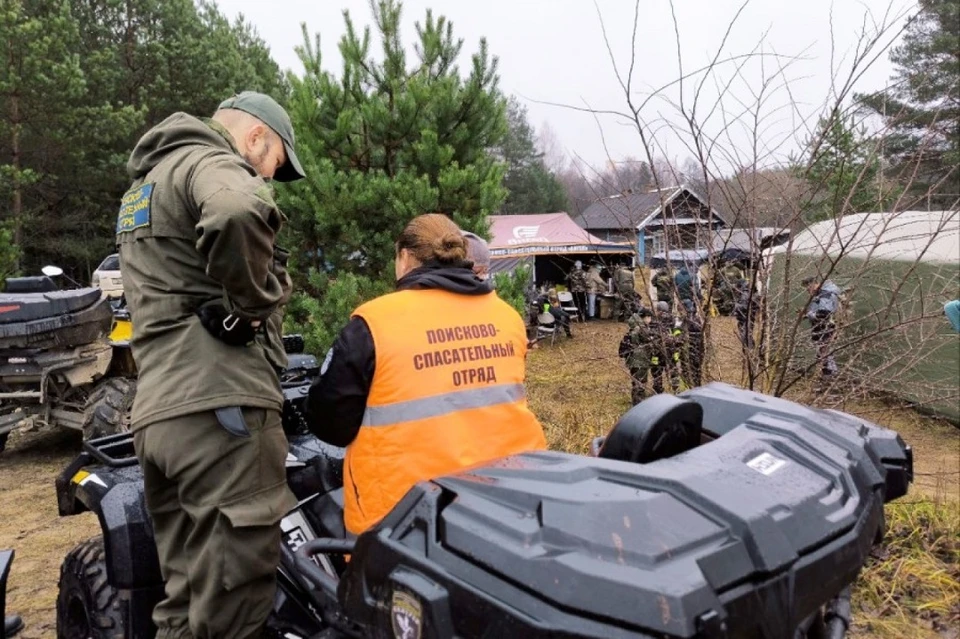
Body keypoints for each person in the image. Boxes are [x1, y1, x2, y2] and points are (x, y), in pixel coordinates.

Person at [117, 91, 305, 639]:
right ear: (255, 138)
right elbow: (236, 209)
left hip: (161, 414)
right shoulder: (211, 160)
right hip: (220, 413)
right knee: (234, 603)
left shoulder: (144, 187)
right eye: (274, 165)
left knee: (185, 600)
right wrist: (250, 307)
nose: (269, 178)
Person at [305, 214, 547, 536]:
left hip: (404, 517)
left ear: (404, 257)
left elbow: (330, 426)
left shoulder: (374, 324)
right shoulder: (506, 317)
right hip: (507, 497)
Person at [803, 276, 841, 380]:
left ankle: (828, 376)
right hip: (823, 327)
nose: (808, 290)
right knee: (824, 352)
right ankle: (829, 376)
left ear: (815, 284)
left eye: (808, 287)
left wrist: (810, 314)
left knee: (824, 353)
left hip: (825, 328)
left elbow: (824, 314)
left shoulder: (826, 294)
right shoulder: (823, 293)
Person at [619, 306, 656, 404]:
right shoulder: (642, 328)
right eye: (649, 317)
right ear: (645, 317)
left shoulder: (634, 326)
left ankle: (636, 401)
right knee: (641, 383)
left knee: (636, 382)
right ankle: (639, 404)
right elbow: (650, 340)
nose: (650, 320)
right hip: (641, 359)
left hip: (633, 359)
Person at [651, 301, 683, 394]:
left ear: (658, 310)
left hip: (657, 352)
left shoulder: (654, 320)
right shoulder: (673, 320)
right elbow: (678, 334)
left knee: (657, 371)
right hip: (672, 351)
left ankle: (658, 391)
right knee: (673, 370)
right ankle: (676, 389)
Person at [733, 278, 760, 348]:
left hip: (745, 318)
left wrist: (736, 307)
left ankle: (749, 353)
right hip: (749, 317)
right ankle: (751, 352)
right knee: (748, 336)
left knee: (746, 336)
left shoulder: (745, 293)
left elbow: (744, 307)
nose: (736, 290)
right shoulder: (750, 292)